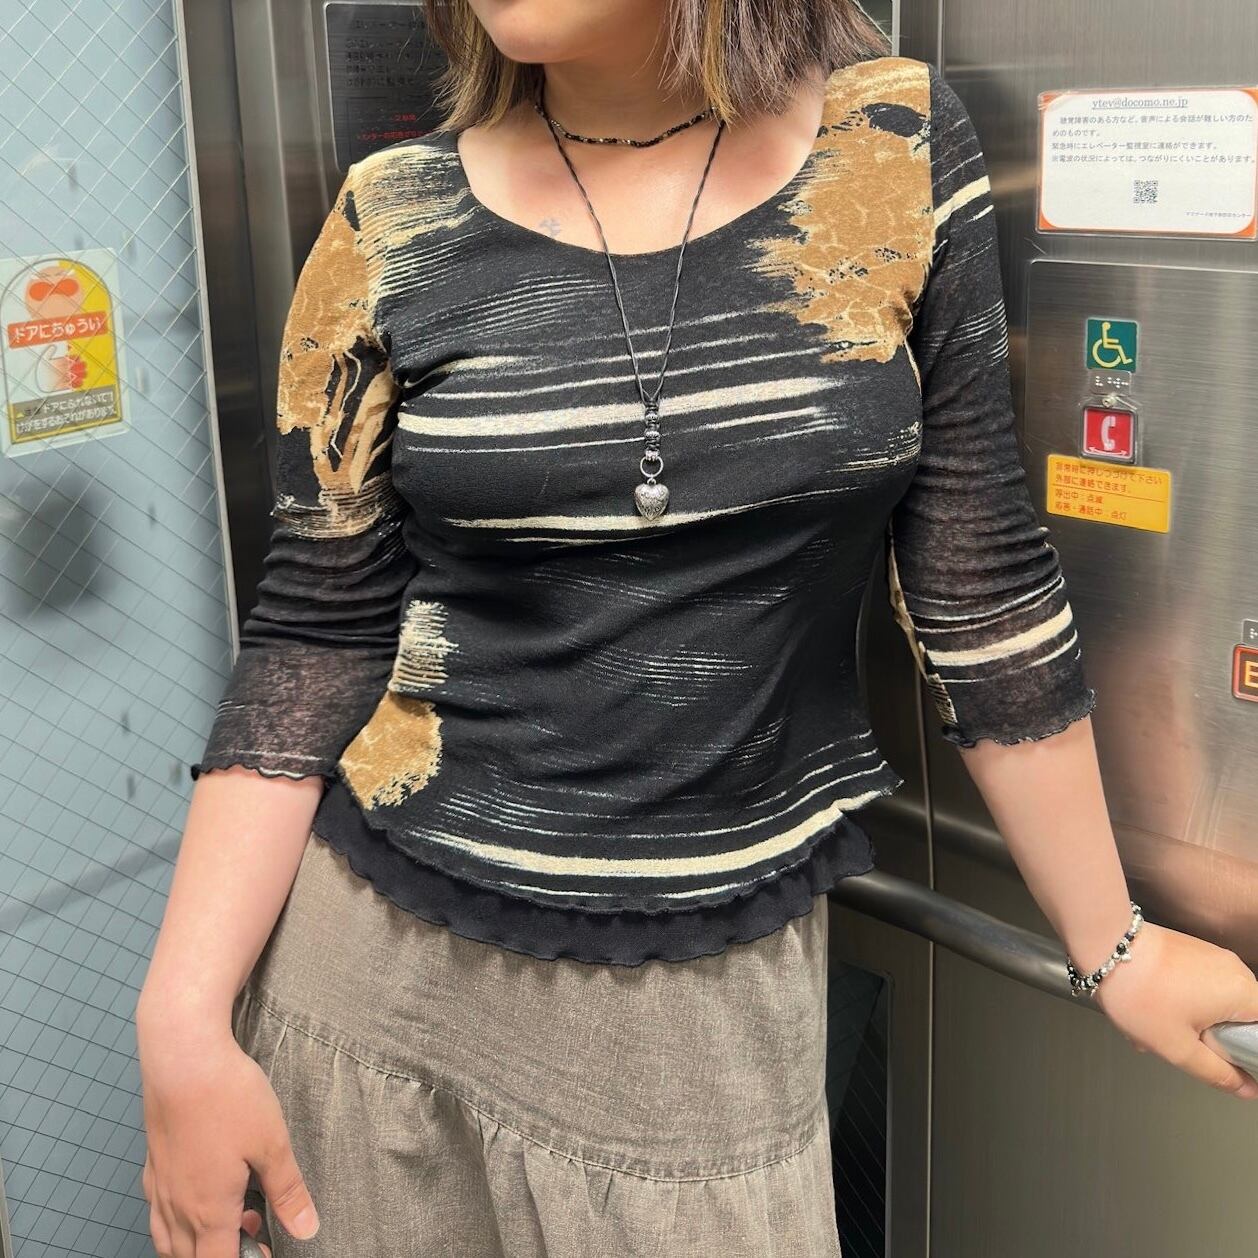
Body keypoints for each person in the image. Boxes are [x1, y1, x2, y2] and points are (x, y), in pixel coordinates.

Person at [136, 2, 1258, 1255]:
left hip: (700, 1017)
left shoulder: (892, 145)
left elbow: (974, 579)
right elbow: (314, 632)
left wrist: (1114, 946)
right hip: (375, 980)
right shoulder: (390, 211)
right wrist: (181, 1018)